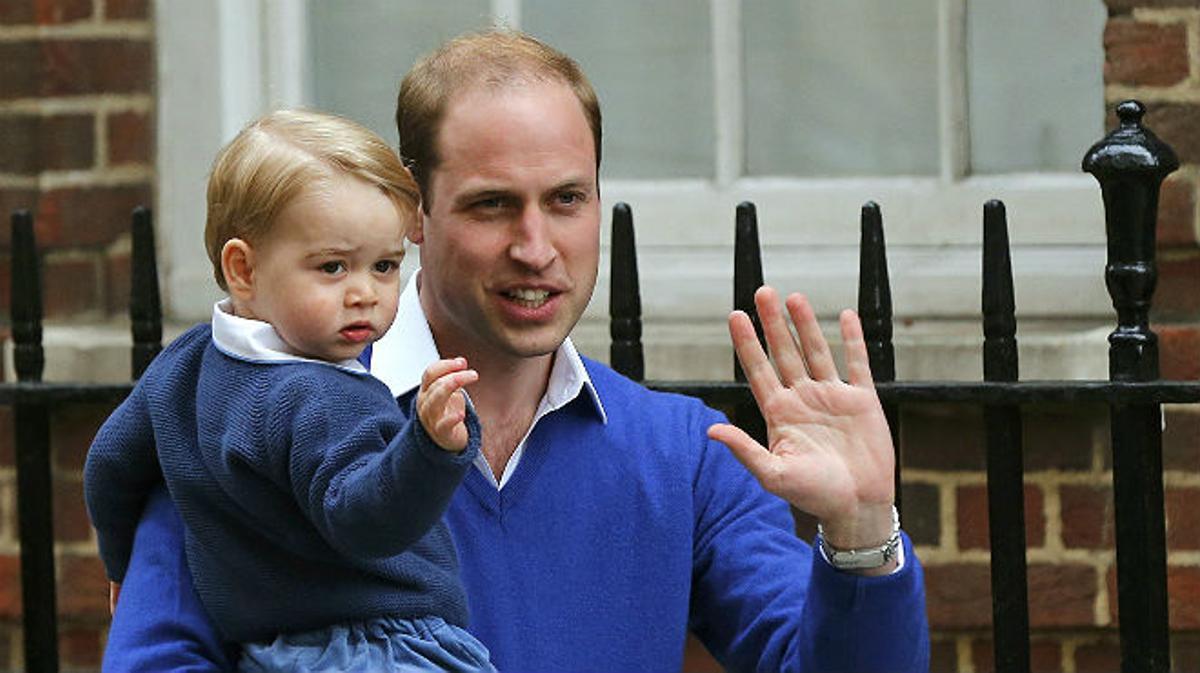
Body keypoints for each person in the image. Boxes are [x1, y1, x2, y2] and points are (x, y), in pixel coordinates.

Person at [101, 30, 930, 672]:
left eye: (566, 199)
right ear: (414, 212)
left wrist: (861, 530)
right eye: (493, 204)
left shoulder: (682, 454)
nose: (536, 246)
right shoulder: (244, 415)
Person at [84, 109, 496, 672]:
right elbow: (365, 521)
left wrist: (119, 564)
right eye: (332, 267)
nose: (365, 293)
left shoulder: (184, 364)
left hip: (271, 650)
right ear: (243, 270)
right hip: (382, 647)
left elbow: (110, 463)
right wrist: (428, 448)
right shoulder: (323, 397)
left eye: (384, 266)